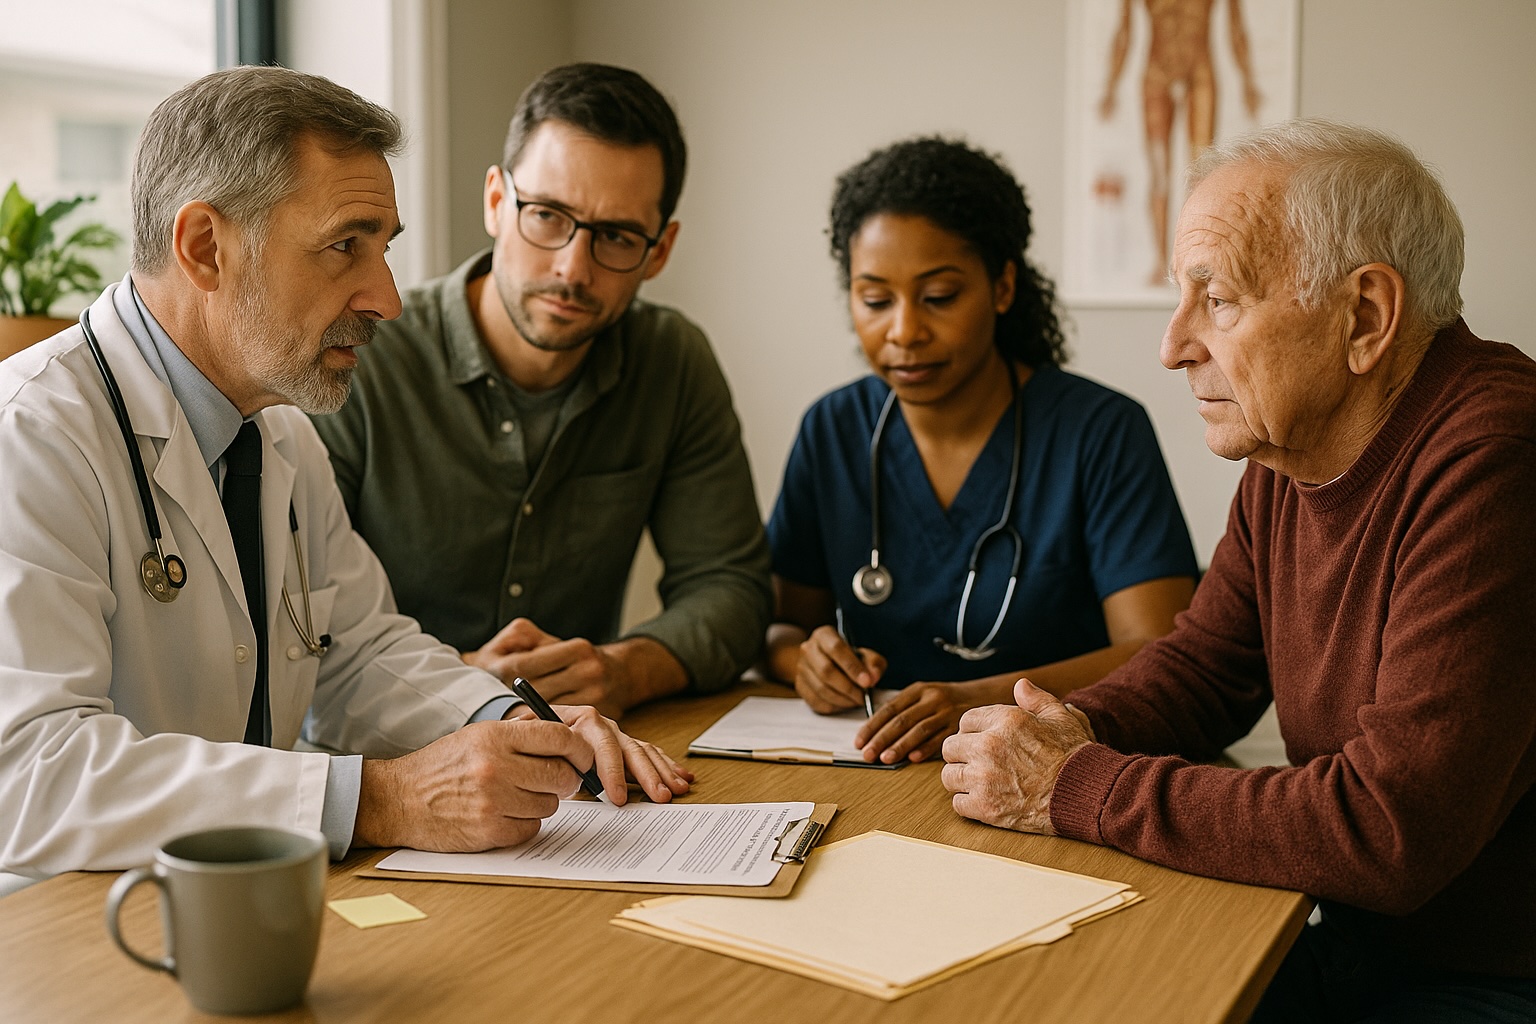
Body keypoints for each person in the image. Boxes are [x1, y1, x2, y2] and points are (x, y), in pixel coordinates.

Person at [0, 66, 691, 880]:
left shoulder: (281, 434)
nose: (388, 297)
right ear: (203, 247)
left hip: (247, 904)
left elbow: (361, 653)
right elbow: (28, 775)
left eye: (384, 248)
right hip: (71, 935)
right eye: (345, 247)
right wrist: (379, 800)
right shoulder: (30, 435)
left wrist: (521, 722)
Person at [942, 119, 1536, 1020]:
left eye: (1216, 301)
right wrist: (1044, 737)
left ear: (1366, 317)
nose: (1174, 346)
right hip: (1358, 938)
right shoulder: (1289, 453)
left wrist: (1073, 784)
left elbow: (1387, 827)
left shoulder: (1498, 458)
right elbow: (1204, 671)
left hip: (1486, 977)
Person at [309, 64, 770, 719]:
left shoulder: (671, 361)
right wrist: (459, 683)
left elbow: (731, 588)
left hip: (583, 760)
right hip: (391, 749)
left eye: (615, 236)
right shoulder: (364, 357)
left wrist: (623, 670)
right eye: (548, 216)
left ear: (659, 250)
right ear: (497, 202)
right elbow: (296, 627)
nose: (572, 268)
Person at [764, 137, 1198, 766]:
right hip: (876, 766)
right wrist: (807, 661)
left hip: (1055, 767)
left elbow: (1159, 649)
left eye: (939, 297)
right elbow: (780, 630)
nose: (905, 331)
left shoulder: (1101, 431)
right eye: (875, 300)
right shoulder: (833, 428)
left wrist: (977, 699)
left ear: (1001, 287)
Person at [1099, 0, 1263, 284]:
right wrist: (1110, 86)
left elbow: (1236, 29)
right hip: (1156, 73)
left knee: (1203, 173)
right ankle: (1162, 263)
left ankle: (1198, 260)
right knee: (1160, 174)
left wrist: (1248, 81)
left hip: (1200, 71)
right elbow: (1123, 33)